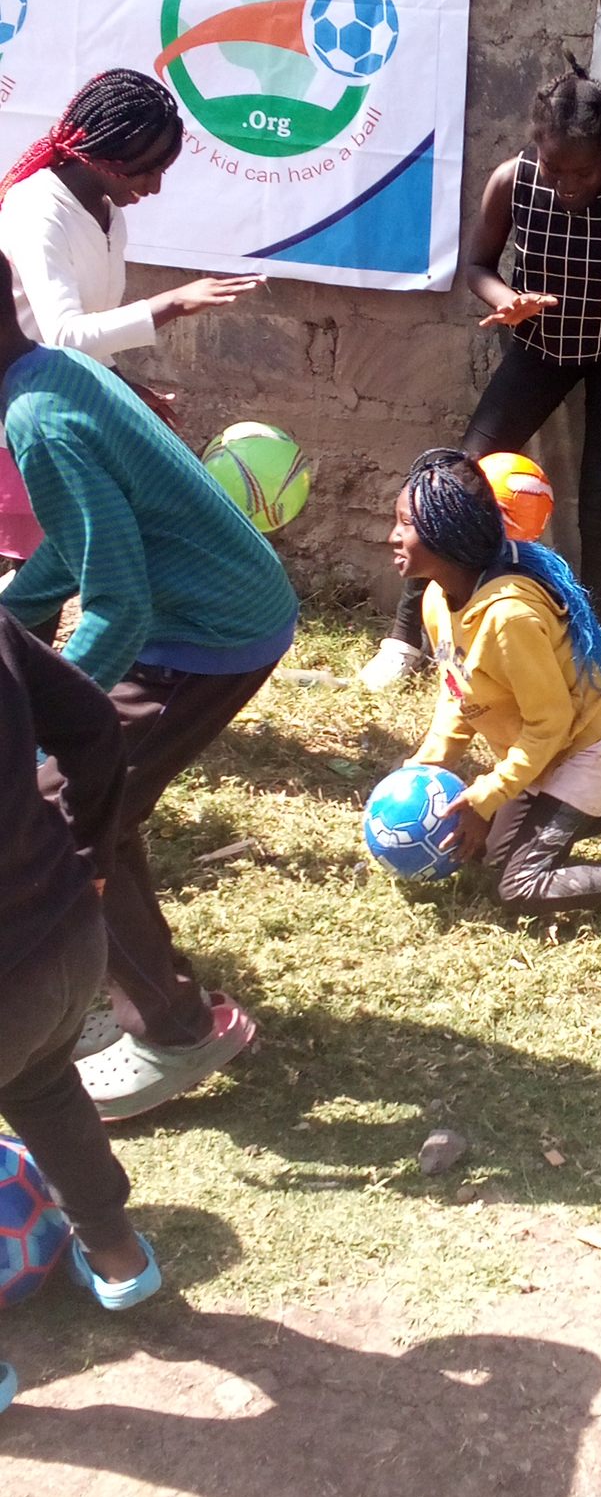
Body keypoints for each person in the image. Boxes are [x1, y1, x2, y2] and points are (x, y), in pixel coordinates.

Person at [0, 254, 298, 1121]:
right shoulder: (52, 373)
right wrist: (11, 616)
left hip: (206, 638)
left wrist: (38, 718)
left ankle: (177, 1031)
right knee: (100, 799)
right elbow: (85, 542)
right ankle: (153, 998)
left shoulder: (39, 422)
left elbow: (120, 602)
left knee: (58, 807)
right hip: (214, 612)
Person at [363, 60, 601, 689]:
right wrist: (506, 301)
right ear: (537, 147)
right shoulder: (513, 180)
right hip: (540, 345)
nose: (568, 185)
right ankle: (405, 638)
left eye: (584, 173)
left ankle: (594, 658)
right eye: (555, 168)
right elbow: (477, 264)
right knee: (460, 478)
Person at [392, 448, 601, 943]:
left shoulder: (509, 618)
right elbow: (458, 691)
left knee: (518, 885)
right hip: (547, 750)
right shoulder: (439, 598)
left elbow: (551, 725)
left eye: (405, 524)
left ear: (447, 535)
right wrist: (426, 765)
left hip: (590, 746)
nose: (393, 537)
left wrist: (488, 794)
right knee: (482, 852)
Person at [0, 68, 259, 559]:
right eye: (145, 171)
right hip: (15, 428)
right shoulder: (38, 209)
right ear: (104, 157)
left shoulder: (107, 213)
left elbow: (91, 324)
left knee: (52, 579)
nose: (155, 187)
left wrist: (123, 387)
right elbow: (62, 335)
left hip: (54, 419)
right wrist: (172, 304)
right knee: (40, 582)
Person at [0, 609, 160, 1311]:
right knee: (42, 1086)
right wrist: (90, 856)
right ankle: (122, 1263)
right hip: (65, 936)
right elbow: (94, 723)